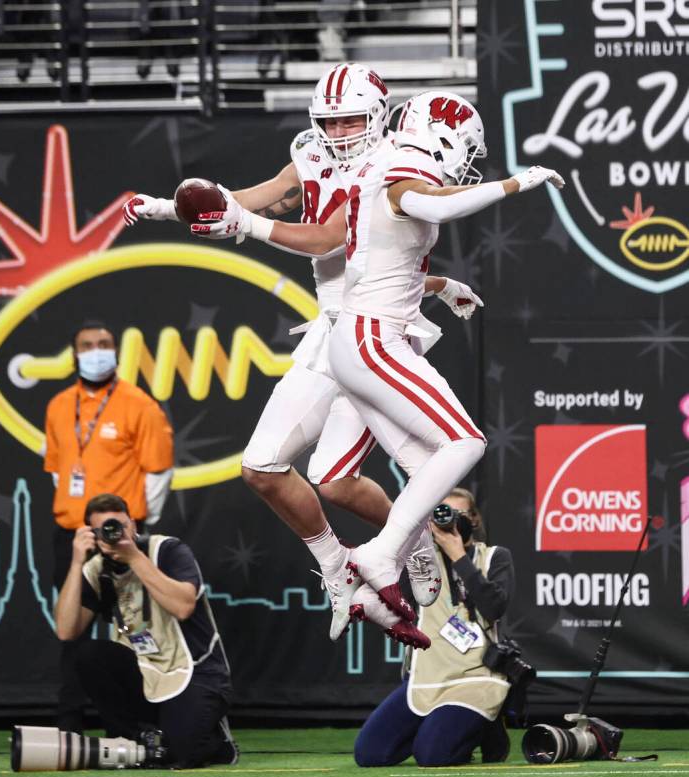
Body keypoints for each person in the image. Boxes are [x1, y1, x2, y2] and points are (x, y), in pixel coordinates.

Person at [122, 66, 481, 644]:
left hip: (376, 334)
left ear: (380, 115)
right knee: (260, 467)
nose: (338, 131)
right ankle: (340, 565)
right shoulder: (312, 152)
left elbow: (329, 238)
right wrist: (174, 208)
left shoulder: (396, 158)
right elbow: (261, 197)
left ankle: (415, 552)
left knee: (343, 480)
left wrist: (244, 225)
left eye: (350, 118)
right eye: (329, 119)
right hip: (329, 331)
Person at [193, 89, 563, 634]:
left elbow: (376, 256)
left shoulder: (379, 166)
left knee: (392, 472)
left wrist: (440, 284)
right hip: (369, 337)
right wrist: (517, 182)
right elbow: (400, 216)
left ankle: (387, 567)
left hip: (361, 332)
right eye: (463, 148)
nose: (339, 132)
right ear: (444, 139)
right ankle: (378, 556)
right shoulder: (398, 165)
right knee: (464, 443)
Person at [44, 320, 174, 732]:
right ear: (74, 354)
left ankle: (132, 722)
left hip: (122, 540)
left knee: (133, 631)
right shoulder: (58, 405)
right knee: (72, 635)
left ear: (116, 352)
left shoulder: (139, 404)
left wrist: (134, 528)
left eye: (104, 344)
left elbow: (158, 474)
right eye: (87, 345)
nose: (96, 351)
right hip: (73, 535)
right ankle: (69, 724)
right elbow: (56, 470)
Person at [54, 493, 237, 769]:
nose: (115, 534)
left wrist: (134, 557)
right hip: (144, 671)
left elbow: (184, 606)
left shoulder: (168, 550)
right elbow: (66, 631)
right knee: (89, 653)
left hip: (194, 672)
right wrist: (77, 562)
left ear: (133, 525)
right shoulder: (96, 569)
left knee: (181, 755)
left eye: (120, 526)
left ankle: (216, 740)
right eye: (104, 529)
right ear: (92, 535)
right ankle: (130, 738)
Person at [353, 488, 514, 767]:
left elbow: (494, 608)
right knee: (370, 754)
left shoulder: (495, 557)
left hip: (475, 677)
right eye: (441, 514)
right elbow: (394, 605)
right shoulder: (419, 561)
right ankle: (453, 725)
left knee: (433, 755)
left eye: (458, 515)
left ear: (474, 520)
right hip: (426, 678)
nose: (449, 521)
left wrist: (458, 556)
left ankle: (485, 729)